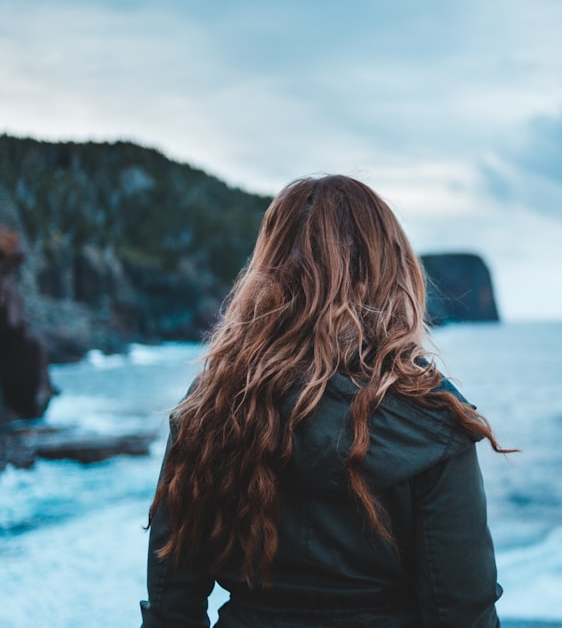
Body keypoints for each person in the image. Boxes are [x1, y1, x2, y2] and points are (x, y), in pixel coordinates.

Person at [141, 175, 513, 628]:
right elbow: (464, 612)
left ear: (268, 268)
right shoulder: (434, 418)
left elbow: (170, 607)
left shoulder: (211, 407)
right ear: (389, 272)